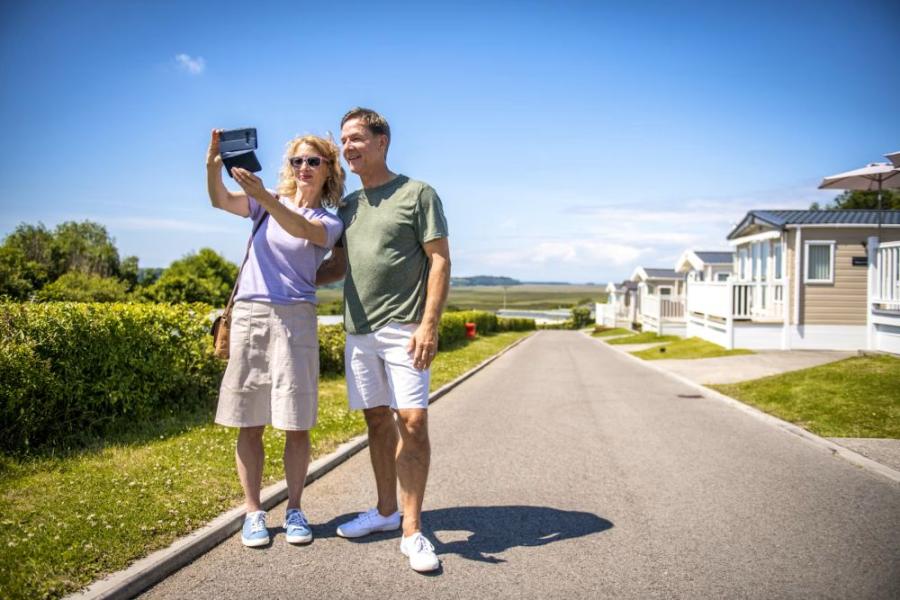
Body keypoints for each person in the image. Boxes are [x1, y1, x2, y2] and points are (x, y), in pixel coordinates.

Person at [316, 108, 451, 572]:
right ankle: (386, 512)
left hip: (404, 331)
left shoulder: (418, 194)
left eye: (356, 138)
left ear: (381, 141)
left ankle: (413, 532)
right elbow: (337, 268)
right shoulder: (348, 207)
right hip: (359, 332)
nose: (347, 147)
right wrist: (288, 276)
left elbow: (439, 262)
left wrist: (429, 324)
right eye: (343, 140)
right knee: (376, 421)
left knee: (411, 422)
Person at [206, 130, 344, 547]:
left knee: (295, 422)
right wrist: (214, 164)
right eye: (298, 161)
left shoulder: (329, 221)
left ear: (327, 172)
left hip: (296, 319)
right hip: (250, 313)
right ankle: (253, 512)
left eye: (313, 162)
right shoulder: (265, 205)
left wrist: (265, 197)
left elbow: (301, 229)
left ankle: (296, 508)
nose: (304, 168)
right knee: (250, 421)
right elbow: (219, 199)